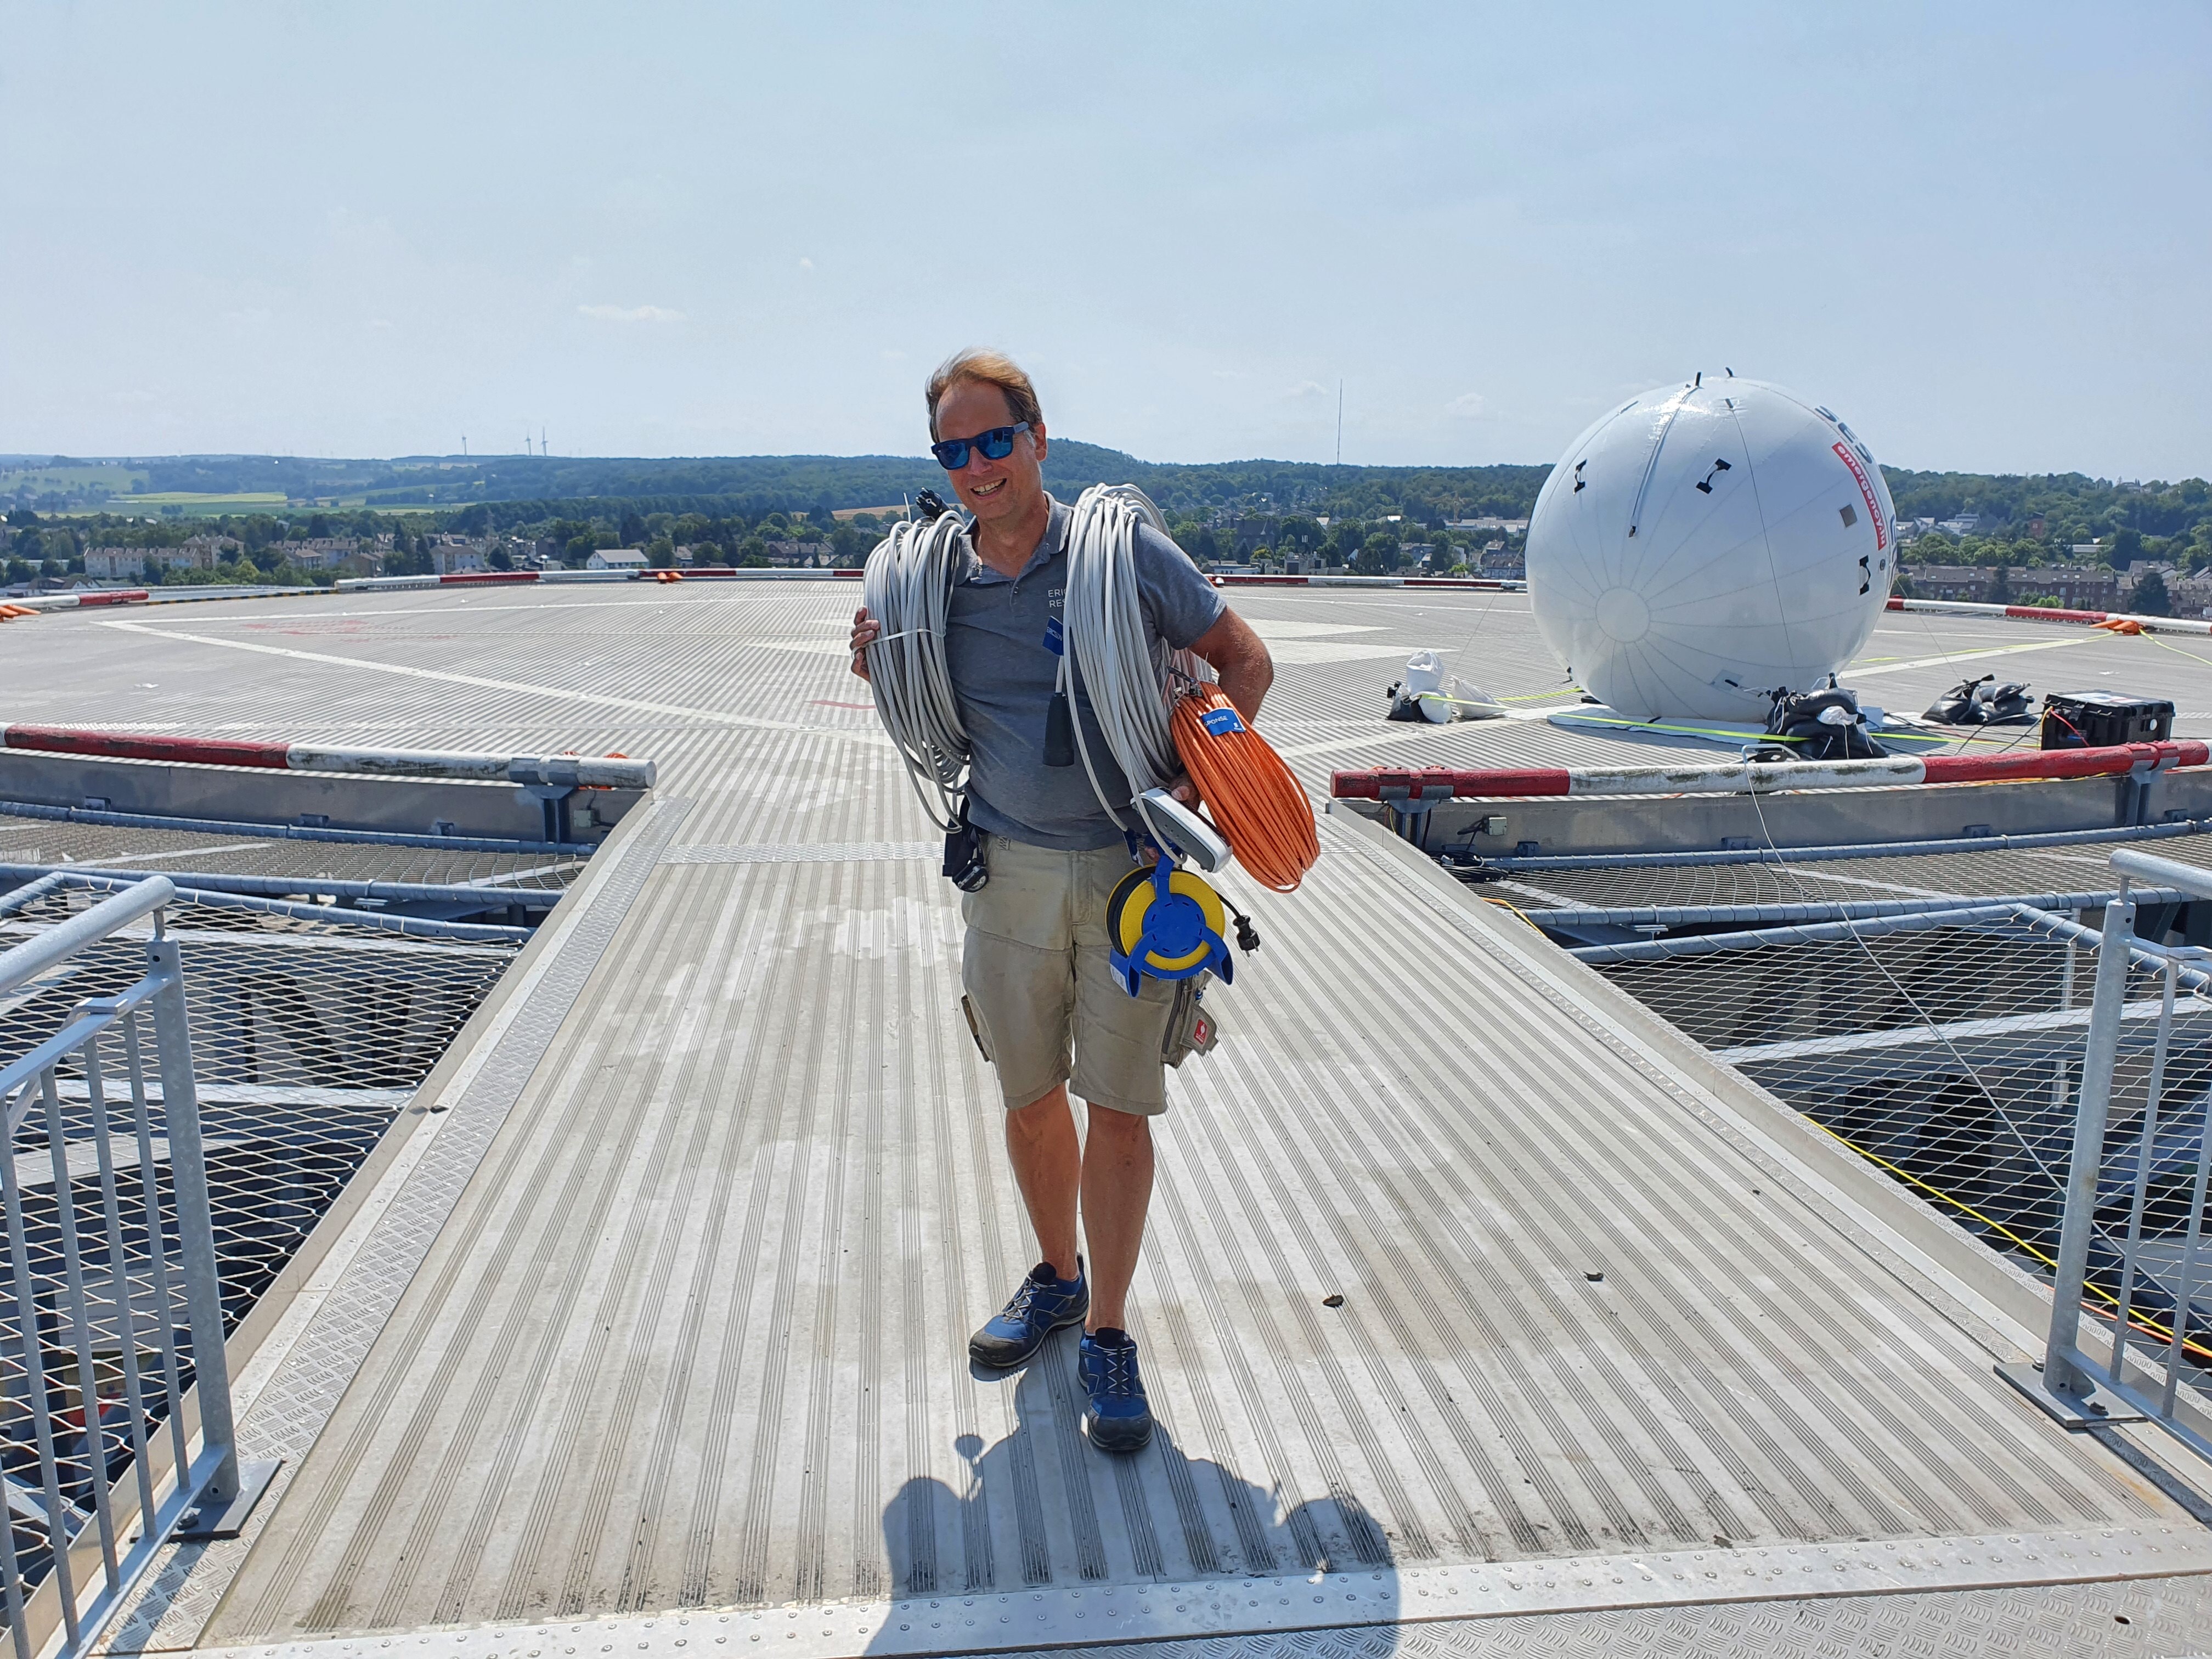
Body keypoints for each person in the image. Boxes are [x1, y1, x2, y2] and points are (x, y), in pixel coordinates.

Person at [849, 349, 1273, 1452]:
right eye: (955, 450)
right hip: (1007, 875)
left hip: (1136, 877)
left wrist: (1196, 790)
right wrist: (883, 664)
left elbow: (1244, 661)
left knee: (1120, 1109)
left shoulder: (1120, 557)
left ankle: (1109, 1333)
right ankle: (1056, 1277)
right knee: (1030, 1098)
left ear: (1038, 438)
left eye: (996, 441)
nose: (978, 467)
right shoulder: (934, 581)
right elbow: (922, 700)